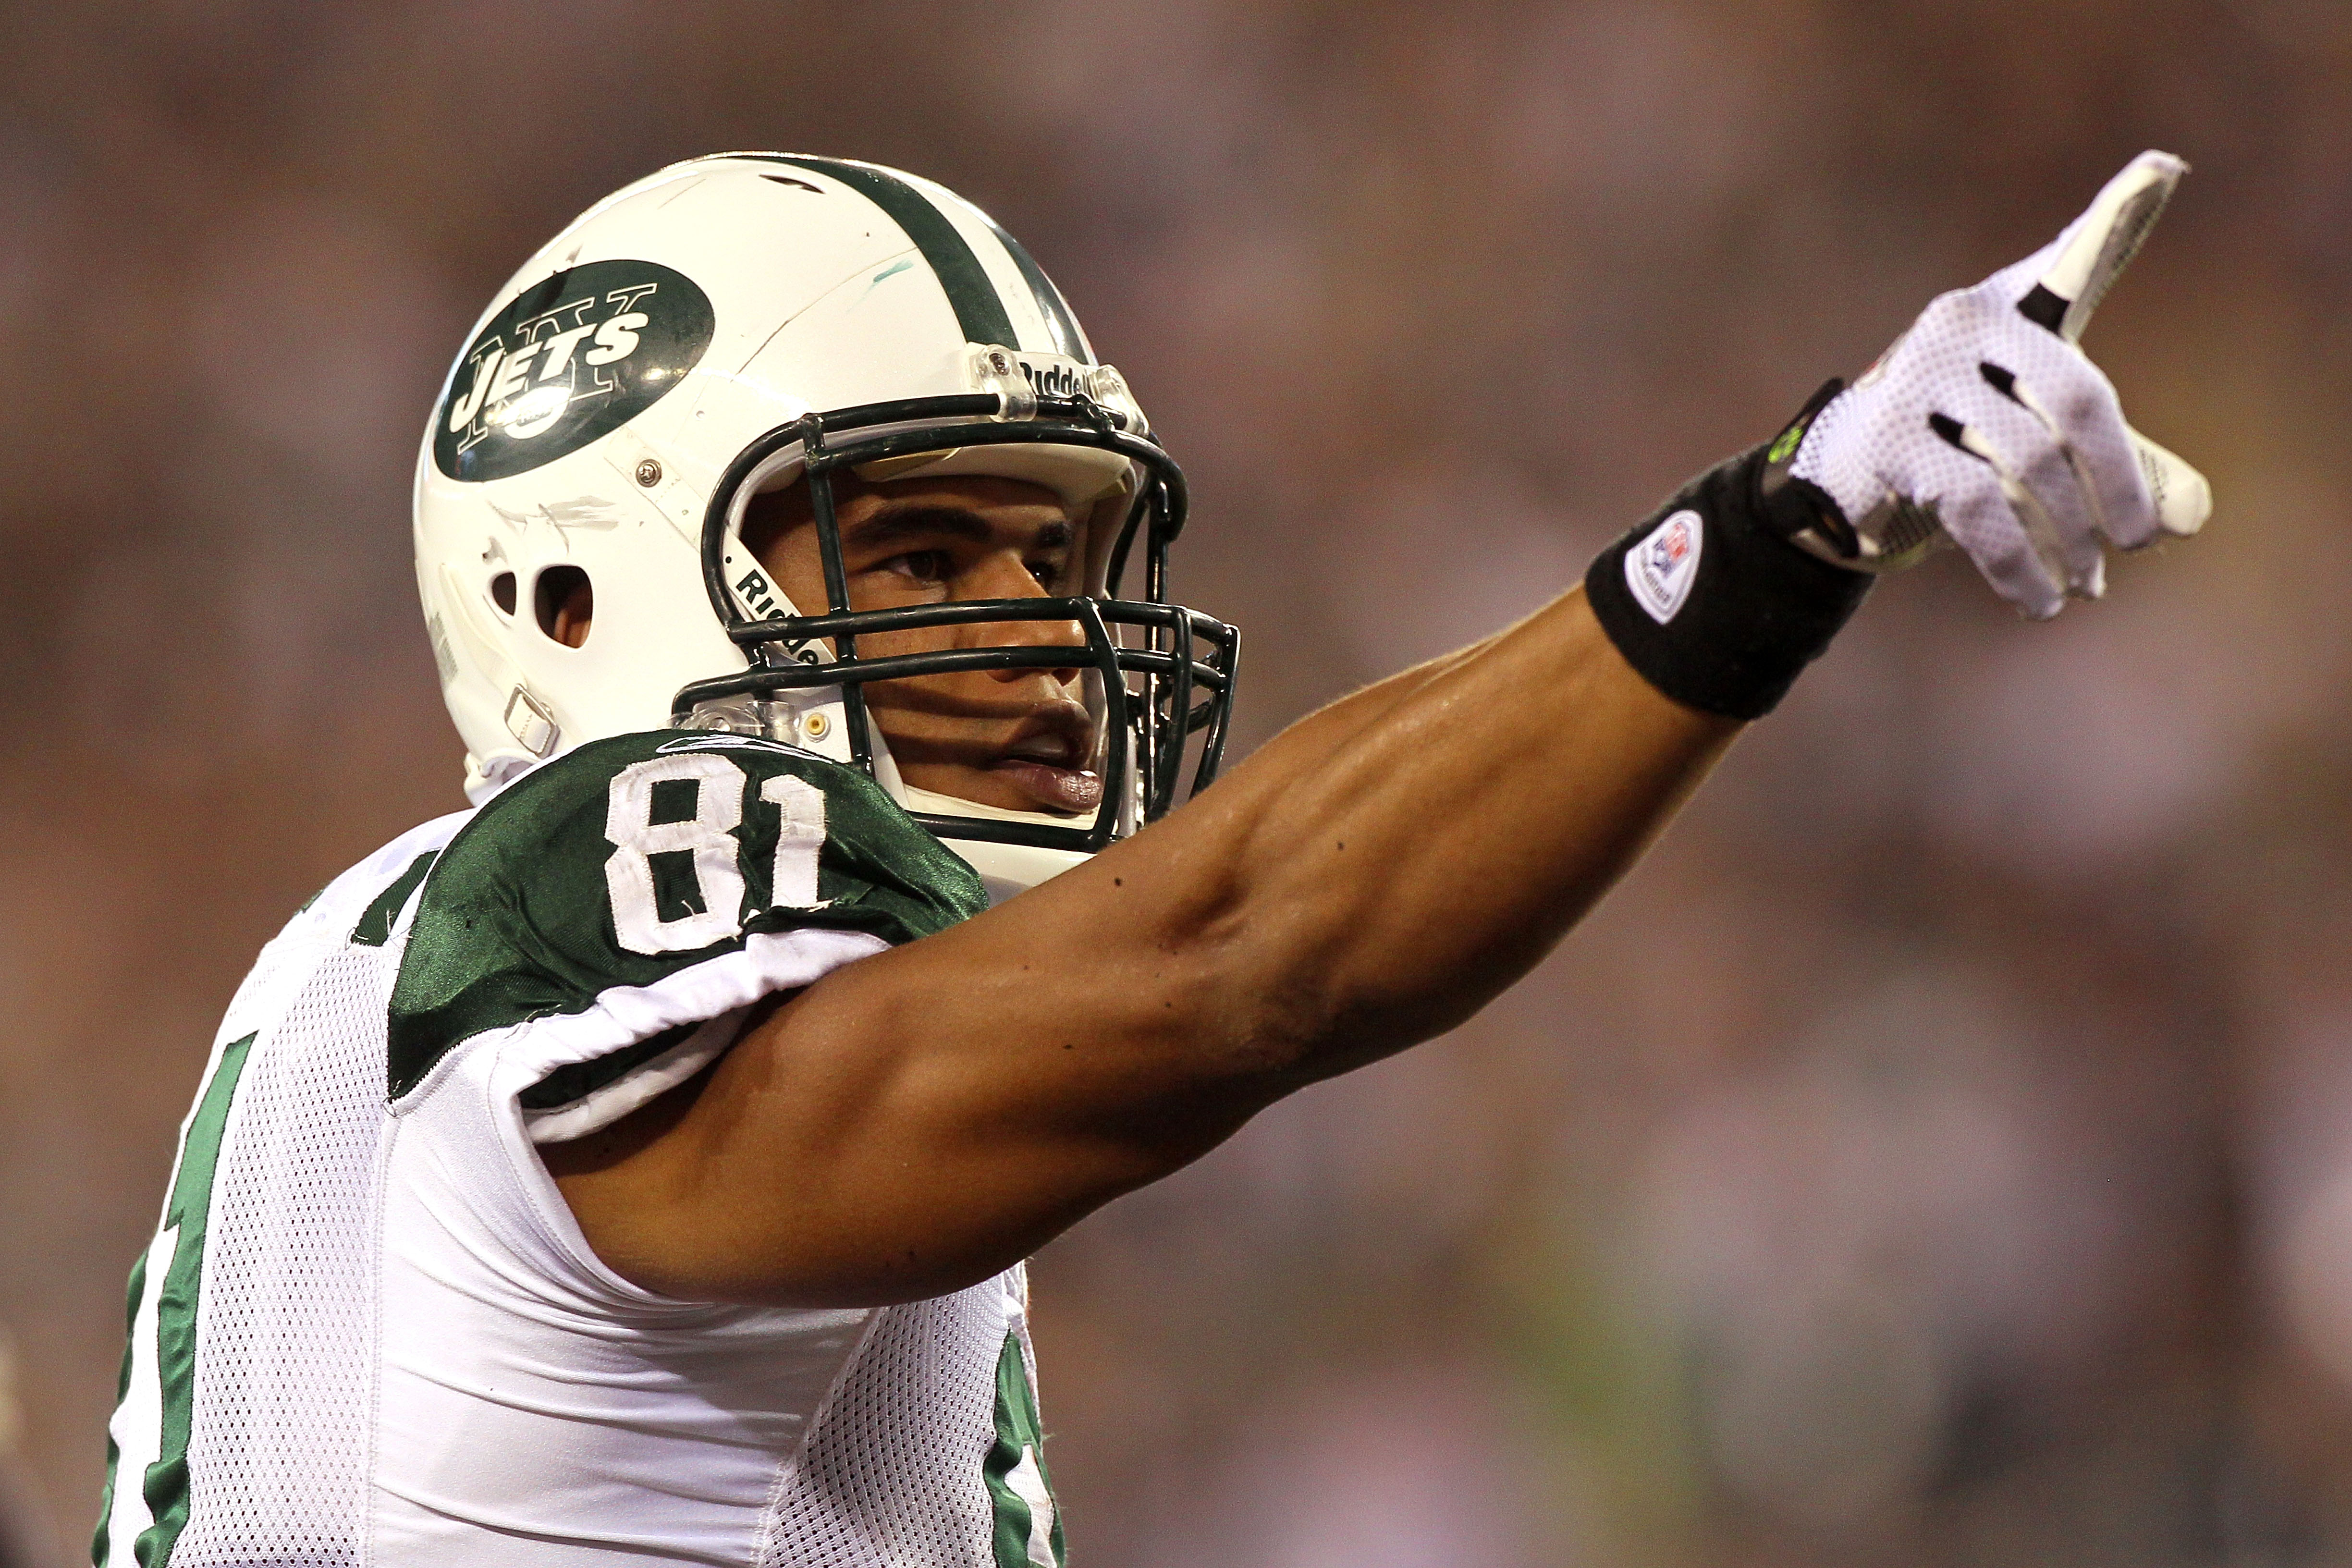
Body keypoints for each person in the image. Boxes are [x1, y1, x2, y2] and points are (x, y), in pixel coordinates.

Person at [94, 149, 2207, 1566]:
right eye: (927, 557)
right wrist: (1766, 540)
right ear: (576, 596)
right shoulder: (580, 880)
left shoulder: (358, 964)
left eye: (1057, 558)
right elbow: (1242, 961)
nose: (1039, 645)